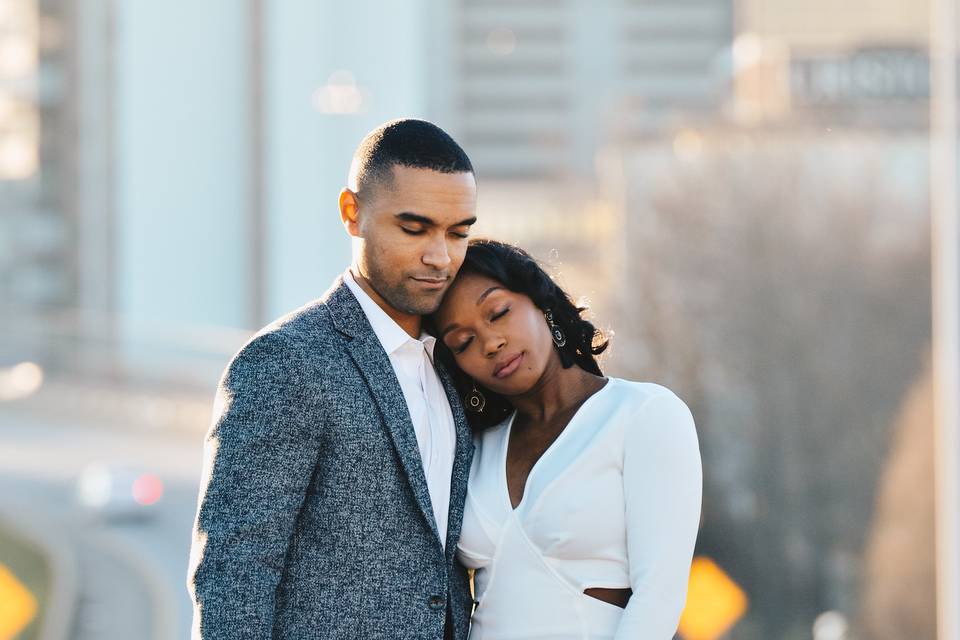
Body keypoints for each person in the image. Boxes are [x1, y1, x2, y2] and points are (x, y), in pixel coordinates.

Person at [187, 119, 479, 639]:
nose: (441, 257)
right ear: (352, 212)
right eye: (414, 229)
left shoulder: (458, 361)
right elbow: (234, 574)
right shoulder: (284, 361)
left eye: (458, 233)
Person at [430, 239, 703, 639]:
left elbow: (659, 597)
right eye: (464, 343)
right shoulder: (477, 447)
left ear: (541, 303)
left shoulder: (643, 414)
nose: (491, 344)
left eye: (499, 313)